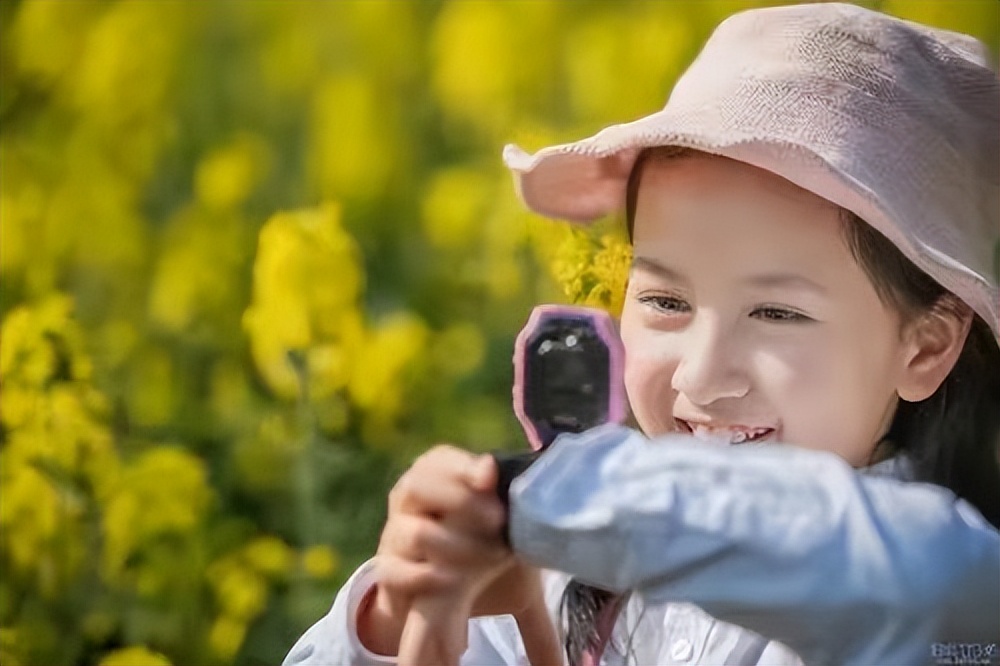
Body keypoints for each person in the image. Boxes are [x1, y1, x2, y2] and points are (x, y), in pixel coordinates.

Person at [283, 3, 1000, 665]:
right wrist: (398, 614)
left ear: (928, 346)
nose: (700, 376)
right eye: (664, 300)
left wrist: (560, 504)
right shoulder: (576, 551)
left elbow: (881, 569)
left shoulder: (947, 583)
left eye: (777, 314)